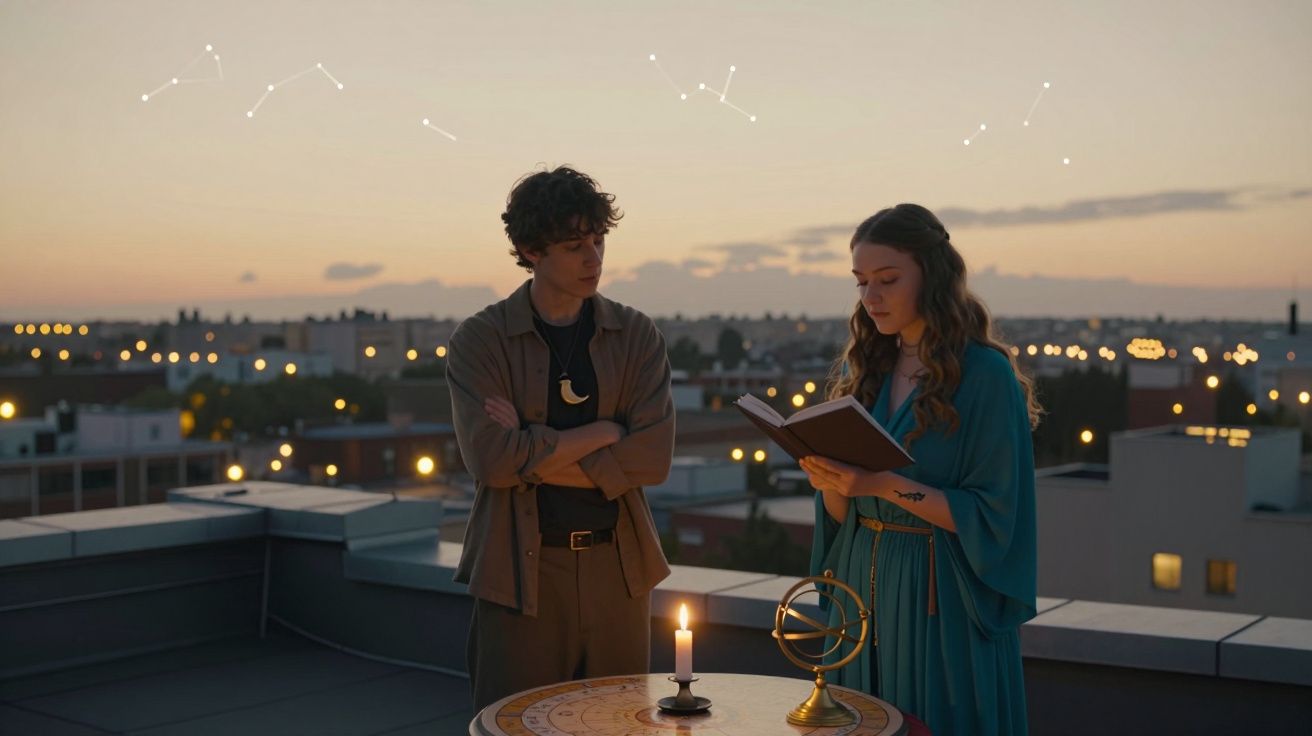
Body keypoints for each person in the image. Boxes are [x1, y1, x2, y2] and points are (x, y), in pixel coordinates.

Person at [800, 203, 1041, 735]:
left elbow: (994, 512)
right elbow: (845, 515)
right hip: (864, 588)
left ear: (931, 276)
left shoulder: (984, 375)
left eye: (887, 279)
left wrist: (882, 483)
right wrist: (832, 482)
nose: (871, 297)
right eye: (861, 282)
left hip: (941, 597)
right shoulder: (867, 368)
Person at [447, 166, 674, 712]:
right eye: (574, 246)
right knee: (517, 722)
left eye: (598, 241)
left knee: (619, 723)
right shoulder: (482, 340)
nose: (593, 259)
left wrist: (532, 447)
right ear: (530, 249)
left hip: (619, 572)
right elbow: (492, 463)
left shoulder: (636, 335)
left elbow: (653, 457)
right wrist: (601, 433)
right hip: (521, 574)